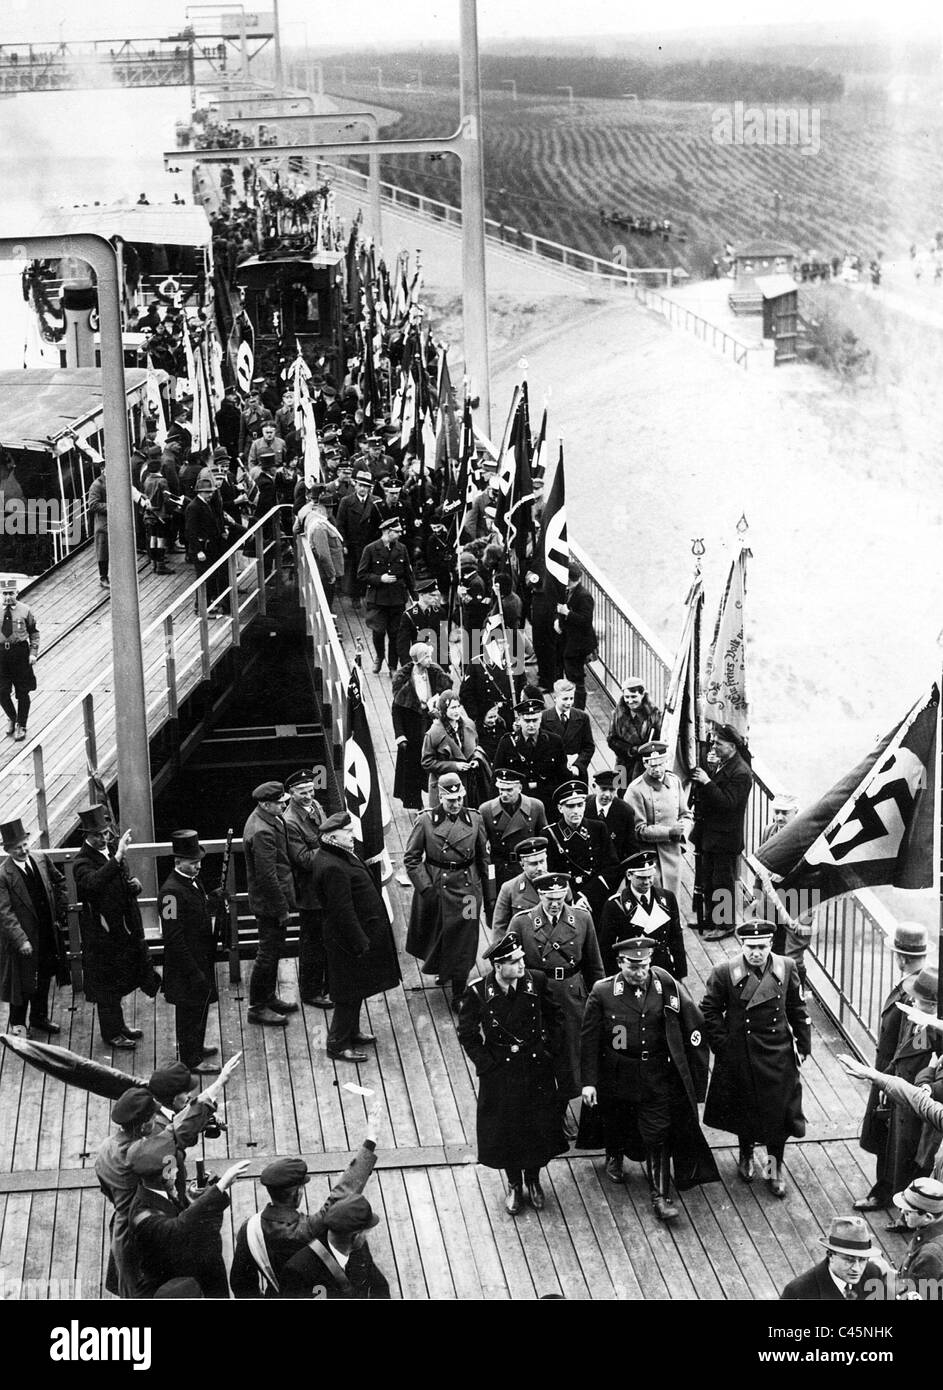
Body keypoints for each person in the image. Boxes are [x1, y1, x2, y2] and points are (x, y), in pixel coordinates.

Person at [579, 935, 718, 1221]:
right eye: (632, 966)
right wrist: (589, 1082)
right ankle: (614, 1155)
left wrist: (695, 1075)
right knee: (617, 1121)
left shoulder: (666, 985)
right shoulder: (603, 992)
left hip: (657, 1075)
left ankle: (660, 1194)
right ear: (620, 963)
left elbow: (693, 1024)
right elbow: (590, 1040)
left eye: (643, 965)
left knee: (658, 1134)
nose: (639, 972)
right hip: (618, 1076)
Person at [96, 1070, 237, 1299]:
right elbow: (174, 1135)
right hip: (151, 1232)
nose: (157, 1120)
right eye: (153, 1118)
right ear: (143, 1126)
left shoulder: (106, 1149)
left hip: (127, 1226)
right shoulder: (138, 1153)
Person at [457, 931, 566, 1214]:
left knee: (537, 1127)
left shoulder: (536, 982)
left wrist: (549, 1052)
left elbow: (557, 1018)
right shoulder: (479, 992)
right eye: (514, 962)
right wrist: (486, 1064)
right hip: (501, 1074)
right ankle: (514, 1184)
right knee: (507, 1131)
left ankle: (534, 1180)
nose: (521, 966)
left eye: (521, 960)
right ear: (498, 966)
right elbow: (467, 1034)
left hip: (535, 1068)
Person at [701, 919, 812, 1198]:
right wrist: (723, 1045)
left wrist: (803, 1045)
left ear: (770, 945)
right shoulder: (725, 972)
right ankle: (746, 1155)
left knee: (779, 1116)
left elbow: (796, 1007)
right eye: (750, 947)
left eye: (761, 947)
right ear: (742, 945)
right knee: (745, 1109)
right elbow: (709, 1010)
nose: (756, 953)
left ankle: (775, 1169)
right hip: (741, 1054)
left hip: (778, 1054)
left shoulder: (786, 968)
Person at [230, 1103, 383, 1297]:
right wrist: (371, 1140)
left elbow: (240, 1282)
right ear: (298, 1193)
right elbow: (342, 1193)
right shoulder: (309, 1229)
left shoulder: (249, 1230)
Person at [508, 872, 603, 1116]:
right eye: (549, 898)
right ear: (540, 895)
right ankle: (548, 1112)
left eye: (560, 898)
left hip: (572, 995)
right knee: (542, 1053)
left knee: (572, 1053)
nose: (554, 904)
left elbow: (594, 965)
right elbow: (510, 966)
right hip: (538, 995)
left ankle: (567, 1106)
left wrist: (601, 1001)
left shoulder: (582, 919)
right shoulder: (522, 923)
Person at [311, 812, 401, 1063]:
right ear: (331, 837)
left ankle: (352, 1031)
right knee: (347, 992)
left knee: (357, 987)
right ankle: (338, 1043)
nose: (352, 835)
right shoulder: (331, 866)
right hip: (347, 941)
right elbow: (342, 911)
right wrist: (360, 942)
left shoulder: (339, 853)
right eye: (348, 832)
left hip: (356, 935)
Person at [854, 922, 929, 1214]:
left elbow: (912, 1045)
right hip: (892, 1075)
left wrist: (889, 1081)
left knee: (898, 1141)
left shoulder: (916, 992)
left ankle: (893, 1194)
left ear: (901, 957)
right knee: (889, 1137)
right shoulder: (915, 983)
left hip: (900, 1079)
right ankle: (888, 1189)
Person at [73, 804, 159, 1050]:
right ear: (86, 836)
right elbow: (93, 884)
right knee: (106, 984)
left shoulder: (110, 850)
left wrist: (133, 886)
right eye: (97, 835)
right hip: (102, 933)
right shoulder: (82, 861)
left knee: (119, 978)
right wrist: (119, 856)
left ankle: (119, 1026)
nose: (103, 838)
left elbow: (117, 881)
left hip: (121, 927)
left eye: (106, 833)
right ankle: (111, 1033)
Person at [405, 771, 493, 1010]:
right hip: (439, 888)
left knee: (467, 936)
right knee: (441, 934)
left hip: (468, 893)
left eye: (459, 799)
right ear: (440, 797)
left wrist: (490, 895)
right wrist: (426, 888)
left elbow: (485, 860)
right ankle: (444, 970)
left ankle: (459, 991)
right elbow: (411, 859)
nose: (455, 805)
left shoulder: (475, 819)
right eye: (450, 800)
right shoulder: (425, 821)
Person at [128, 1139, 249, 1299]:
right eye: (172, 1167)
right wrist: (220, 1187)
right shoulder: (142, 1217)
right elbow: (178, 1228)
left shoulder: (158, 1193)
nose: (177, 1169)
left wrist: (194, 1198)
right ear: (164, 1175)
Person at [158, 829, 220, 1076]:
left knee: (201, 1004)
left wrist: (213, 899)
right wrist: (192, 970)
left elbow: (198, 909)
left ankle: (197, 1045)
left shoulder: (192, 882)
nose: (198, 867)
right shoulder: (170, 893)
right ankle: (190, 1058)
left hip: (200, 957)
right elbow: (173, 937)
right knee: (188, 1010)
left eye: (199, 862)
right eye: (193, 863)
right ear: (178, 862)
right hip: (186, 964)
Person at [0, 816, 68, 1036]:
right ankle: (18, 1025)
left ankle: (39, 1018)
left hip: (46, 931)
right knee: (22, 983)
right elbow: (5, 912)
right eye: (17, 848)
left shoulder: (40, 859)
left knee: (45, 974)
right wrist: (21, 940)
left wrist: (59, 910)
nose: (23, 850)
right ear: (8, 850)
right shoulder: (3, 875)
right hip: (24, 939)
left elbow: (59, 883)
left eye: (25, 845)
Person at [690, 722, 753, 938]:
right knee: (709, 878)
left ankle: (725, 925)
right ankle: (711, 918)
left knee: (722, 882)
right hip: (712, 833)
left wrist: (707, 782)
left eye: (719, 743)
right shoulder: (726, 764)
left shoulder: (741, 773)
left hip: (725, 836)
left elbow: (728, 803)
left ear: (733, 746)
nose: (713, 747)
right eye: (713, 742)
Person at [242, 781, 297, 1028]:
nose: (284, 804)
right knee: (267, 953)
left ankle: (268, 997)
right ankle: (257, 1007)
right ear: (266, 804)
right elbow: (267, 875)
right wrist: (282, 909)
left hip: (274, 900)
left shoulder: (267, 819)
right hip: (270, 904)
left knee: (273, 950)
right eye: (280, 802)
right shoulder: (262, 830)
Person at [281, 769, 330, 1008]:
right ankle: (310, 991)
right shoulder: (290, 821)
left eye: (311, 790)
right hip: (309, 891)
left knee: (324, 938)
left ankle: (324, 984)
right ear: (291, 793)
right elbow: (303, 859)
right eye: (302, 793)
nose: (309, 795)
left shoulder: (315, 806)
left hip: (324, 886)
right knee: (312, 942)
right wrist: (331, 845)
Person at [280, 1195, 391, 1299]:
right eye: (365, 1233)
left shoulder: (360, 1249)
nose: (366, 1237)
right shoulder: (298, 1271)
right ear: (355, 1237)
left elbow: (380, 1288)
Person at [599, 850, 686, 979]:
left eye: (650, 876)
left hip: (662, 970)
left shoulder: (667, 898)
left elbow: (676, 938)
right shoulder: (614, 905)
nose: (647, 882)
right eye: (641, 878)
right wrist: (613, 980)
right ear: (629, 875)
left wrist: (680, 974)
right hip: (633, 972)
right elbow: (606, 948)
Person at [624, 740, 693, 902]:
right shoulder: (635, 790)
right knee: (655, 899)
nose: (656, 769)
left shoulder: (674, 781)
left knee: (672, 898)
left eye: (660, 764)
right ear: (644, 764)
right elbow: (638, 829)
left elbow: (686, 814)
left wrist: (683, 831)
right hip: (650, 855)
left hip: (673, 851)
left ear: (666, 761)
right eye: (651, 765)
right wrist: (669, 832)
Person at [545, 780, 619, 921]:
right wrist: (574, 897)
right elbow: (550, 873)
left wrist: (587, 895)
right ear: (560, 808)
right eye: (570, 806)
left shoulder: (598, 828)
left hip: (596, 897)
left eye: (580, 805)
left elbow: (612, 866)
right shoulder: (550, 835)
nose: (576, 811)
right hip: (564, 900)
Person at [391, 642, 451, 813]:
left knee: (437, 762)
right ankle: (416, 802)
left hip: (432, 725)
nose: (430, 660)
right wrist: (400, 735)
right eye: (427, 657)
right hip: (412, 730)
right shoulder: (403, 681)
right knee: (413, 768)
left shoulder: (434, 673)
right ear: (418, 660)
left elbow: (446, 692)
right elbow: (396, 710)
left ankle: (439, 799)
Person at [478, 767, 549, 906]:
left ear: (520, 788)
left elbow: (545, 841)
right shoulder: (486, 810)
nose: (504, 794)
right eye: (501, 790)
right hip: (500, 870)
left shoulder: (535, 807)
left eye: (509, 790)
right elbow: (483, 849)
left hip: (527, 868)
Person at [780, 1216, 889, 1301]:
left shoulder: (873, 1273)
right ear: (830, 1255)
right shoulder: (799, 1291)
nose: (856, 1268)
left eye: (862, 1260)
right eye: (849, 1260)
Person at [357, 514, 416, 674]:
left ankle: (392, 666)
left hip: (397, 599)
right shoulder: (370, 549)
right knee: (378, 631)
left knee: (395, 634)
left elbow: (408, 575)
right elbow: (361, 575)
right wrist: (379, 578)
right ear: (387, 532)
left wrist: (415, 598)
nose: (399, 534)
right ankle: (379, 656)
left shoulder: (401, 549)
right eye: (396, 532)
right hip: (377, 599)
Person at [493, 698, 568, 811]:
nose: (531, 725)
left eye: (535, 720)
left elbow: (563, 776)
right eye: (527, 721)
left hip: (548, 803)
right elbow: (496, 776)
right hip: (517, 803)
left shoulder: (554, 741)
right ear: (519, 720)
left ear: (540, 719)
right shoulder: (507, 743)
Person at [420, 690, 490, 808]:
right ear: (443, 709)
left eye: (458, 706)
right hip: (445, 786)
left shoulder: (469, 725)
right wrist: (455, 766)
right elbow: (427, 762)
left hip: (469, 784)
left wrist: (476, 760)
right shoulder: (434, 733)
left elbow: (475, 747)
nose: (456, 711)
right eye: (452, 708)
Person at [0, 574, 39, 741]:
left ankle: (21, 724)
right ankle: (12, 717)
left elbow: (34, 633)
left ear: (17, 592)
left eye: (11, 593)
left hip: (20, 653)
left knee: (23, 692)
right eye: (5, 594)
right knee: (1, 691)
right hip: (1, 655)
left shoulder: (25, 610)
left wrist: (33, 653)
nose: (8, 597)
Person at [607, 678, 662, 790]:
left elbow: (659, 740)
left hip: (644, 765)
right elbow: (611, 740)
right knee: (621, 792)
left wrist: (643, 750)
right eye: (627, 697)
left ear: (642, 695)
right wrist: (631, 750)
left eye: (633, 696)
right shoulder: (617, 714)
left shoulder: (654, 715)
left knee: (640, 793)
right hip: (622, 762)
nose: (630, 701)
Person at [185, 474, 228, 616]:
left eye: (211, 492)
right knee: (203, 578)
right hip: (201, 548)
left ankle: (207, 605)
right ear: (200, 492)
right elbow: (190, 531)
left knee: (210, 577)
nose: (210, 494)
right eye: (207, 492)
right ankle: (201, 607)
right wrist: (198, 550)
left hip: (209, 547)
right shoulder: (194, 507)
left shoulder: (206, 505)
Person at [555, 561, 596, 709]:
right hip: (569, 642)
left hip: (578, 646)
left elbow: (585, 621)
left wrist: (567, 613)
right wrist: (559, 621)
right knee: (572, 676)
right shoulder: (570, 591)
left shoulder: (584, 596)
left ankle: (579, 710)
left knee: (576, 680)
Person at [893, 1177, 943, 1298]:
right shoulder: (929, 1231)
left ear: (928, 1217)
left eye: (908, 1212)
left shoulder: (930, 1253)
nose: (902, 1213)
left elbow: (918, 1294)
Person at [336, 468, 378, 608]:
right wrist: (344, 544)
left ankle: (369, 597)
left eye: (366, 486)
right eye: (360, 485)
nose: (363, 489)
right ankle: (355, 596)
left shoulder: (376, 501)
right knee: (355, 571)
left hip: (370, 542)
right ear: (355, 485)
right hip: (354, 543)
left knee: (370, 571)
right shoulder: (346, 501)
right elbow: (340, 524)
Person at [540, 678, 595, 780]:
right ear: (555, 698)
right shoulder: (543, 718)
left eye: (571, 698)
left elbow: (588, 747)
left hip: (576, 773)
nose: (569, 703)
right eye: (565, 699)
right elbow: (541, 748)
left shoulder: (582, 717)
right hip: (553, 774)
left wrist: (578, 766)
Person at [586, 769, 637, 863]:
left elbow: (631, 846)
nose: (607, 795)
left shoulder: (625, 812)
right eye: (603, 789)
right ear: (594, 787)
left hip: (614, 866)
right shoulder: (584, 806)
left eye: (612, 790)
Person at [86, 460, 109, 588]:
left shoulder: (113, 480)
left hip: (115, 520)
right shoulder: (97, 485)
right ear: (103, 469)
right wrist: (111, 506)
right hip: (103, 522)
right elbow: (93, 504)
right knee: (103, 551)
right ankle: (103, 577)